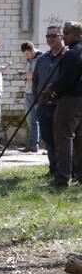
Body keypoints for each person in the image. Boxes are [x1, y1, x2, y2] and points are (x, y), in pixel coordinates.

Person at [48, 21, 82, 188]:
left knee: (63, 138)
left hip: (70, 100)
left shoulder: (71, 53)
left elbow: (66, 81)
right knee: (80, 140)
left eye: (66, 33)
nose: (63, 36)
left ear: (77, 34)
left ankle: (62, 179)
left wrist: (52, 91)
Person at [33, 25, 66, 177]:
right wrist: (37, 100)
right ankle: (53, 169)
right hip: (44, 105)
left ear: (62, 36)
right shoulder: (42, 59)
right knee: (48, 139)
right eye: (48, 36)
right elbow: (35, 81)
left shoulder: (69, 57)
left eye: (54, 35)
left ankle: (65, 171)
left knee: (62, 140)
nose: (50, 39)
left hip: (62, 105)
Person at [20, 41, 44, 152]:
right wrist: (25, 75)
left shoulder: (42, 58)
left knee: (37, 119)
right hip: (28, 91)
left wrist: (29, 76)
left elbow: (41, 74)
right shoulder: (29, 59)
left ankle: (35, 145)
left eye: (26, 54)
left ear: (31, 50)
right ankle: (32, 144)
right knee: (30, 119)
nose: (26, 56)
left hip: (37, 92)